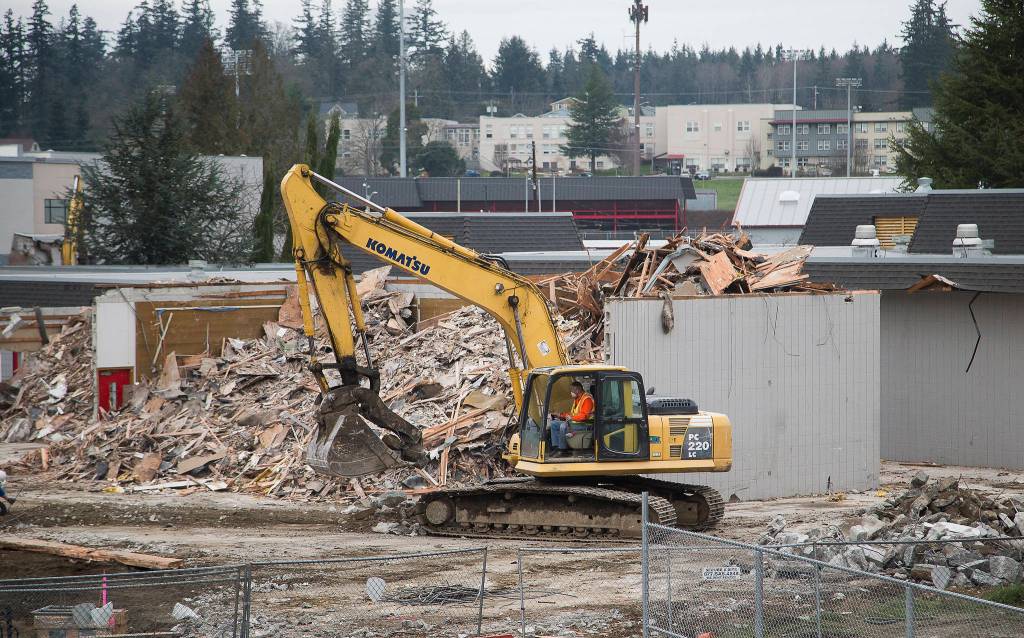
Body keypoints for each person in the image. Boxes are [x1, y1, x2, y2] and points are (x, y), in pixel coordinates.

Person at [548, 381, 594, 457]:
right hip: (575, 423)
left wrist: (571, 417)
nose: (571, 392)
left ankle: (563, 450)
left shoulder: (587, 399)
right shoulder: (577, 399)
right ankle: (556, 447)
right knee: (554, 424)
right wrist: (560, 415)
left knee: (563, 426)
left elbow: (584, 416)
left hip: (584, 424)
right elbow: (573, 413)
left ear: (577, 390)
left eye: (572, 390)